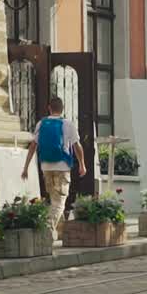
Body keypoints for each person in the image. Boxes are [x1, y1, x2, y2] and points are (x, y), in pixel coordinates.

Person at [21, 97, 86, 241]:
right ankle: (46, 229)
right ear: (62, 109)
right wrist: (82, 164)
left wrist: (25, 167)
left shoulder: (41, 123)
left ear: (49, 108)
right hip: (62, 167)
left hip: (46, 167)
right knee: (59, 202)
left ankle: (62, 234)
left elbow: (33, 146)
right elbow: (77, 146)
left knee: (54, 199)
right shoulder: (67, 124)